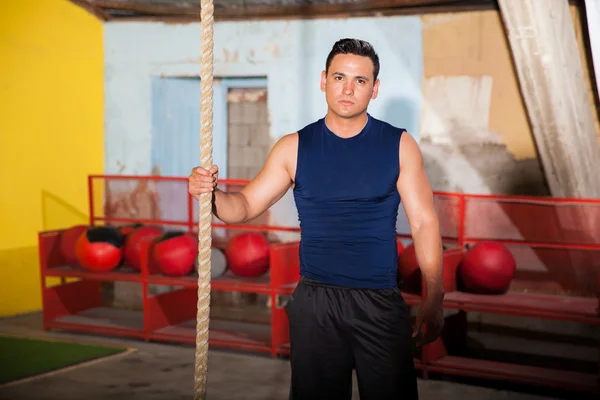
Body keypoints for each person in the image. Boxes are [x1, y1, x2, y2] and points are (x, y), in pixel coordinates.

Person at [188, 38, 444, 400]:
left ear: (375, 89)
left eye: (360, 81)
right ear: (323, 80)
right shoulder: (294, 147)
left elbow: (424, 223)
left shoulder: (399, 145)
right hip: (315, 303)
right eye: (339, 77)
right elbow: (242, 206)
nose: (348, 89)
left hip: (379, 301)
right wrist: (210, 194)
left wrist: (435, 295)